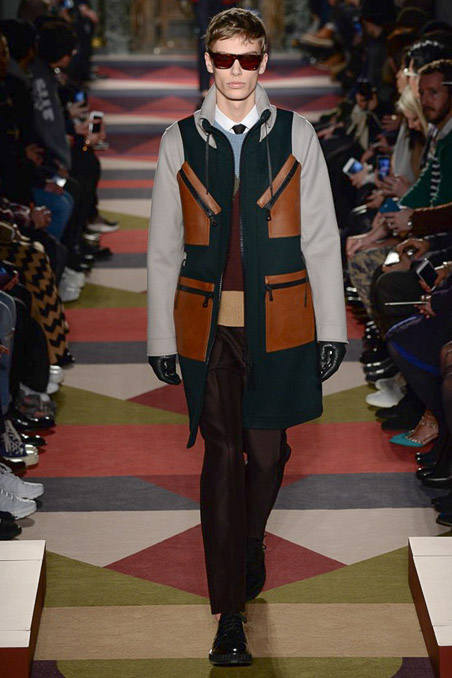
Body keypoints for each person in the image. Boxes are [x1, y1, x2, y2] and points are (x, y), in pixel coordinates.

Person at [147, 8, 347, 667]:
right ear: (208, 61)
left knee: (267, 456)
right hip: (206, 328)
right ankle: (229, 615)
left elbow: (321, 235)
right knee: (221, 458)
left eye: (249, 59)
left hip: (281, 322)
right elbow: (162, 247)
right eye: (225, 59)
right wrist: (159, 336)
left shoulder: (296, 132)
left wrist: (331, 327)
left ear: (264, 62)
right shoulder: (180, 138)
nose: (236, 71)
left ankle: (250, 539)